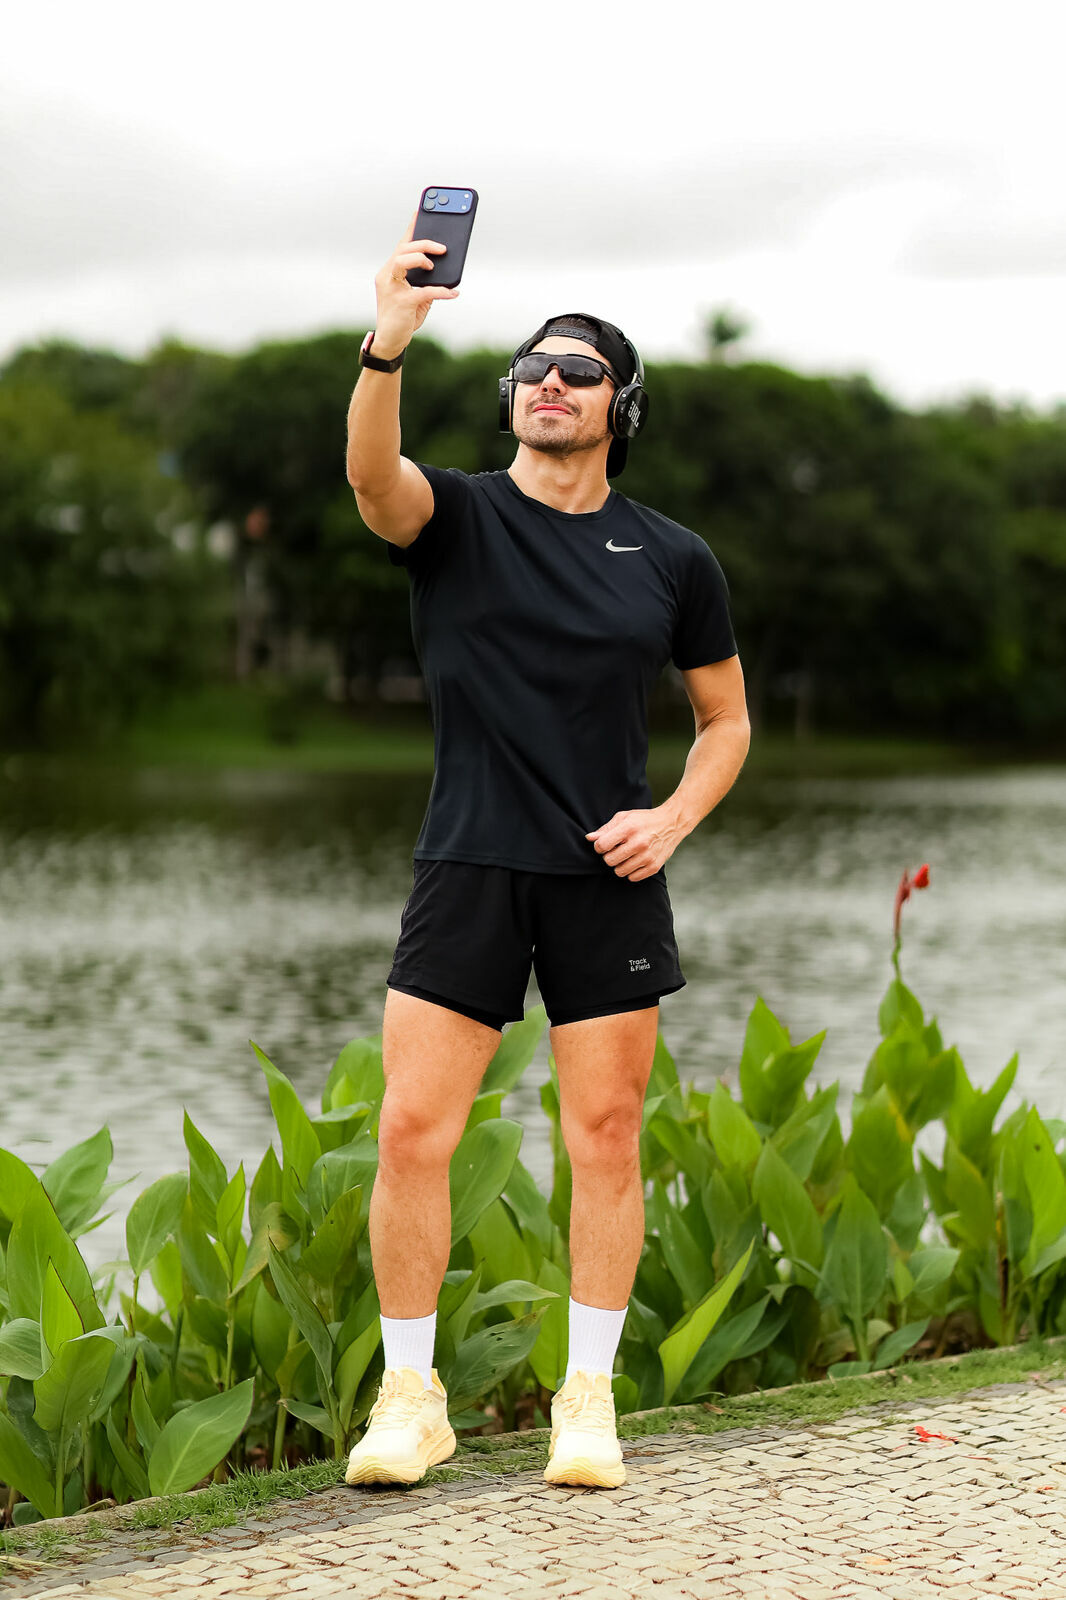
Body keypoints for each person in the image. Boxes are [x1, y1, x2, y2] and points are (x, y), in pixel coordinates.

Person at [342, 215, 750, 1491]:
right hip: (468, 861)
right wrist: (387, 342)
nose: (550, 383)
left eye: (578, 371)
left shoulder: (672, 557)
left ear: (620, 406)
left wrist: (670, 819)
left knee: (607, 1134)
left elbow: (727, 722)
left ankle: (587, 1399)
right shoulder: (456, 515)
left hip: (605, 879)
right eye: (532, 368)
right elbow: (371, 479)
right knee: (412, 1129)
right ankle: (410, 1401)